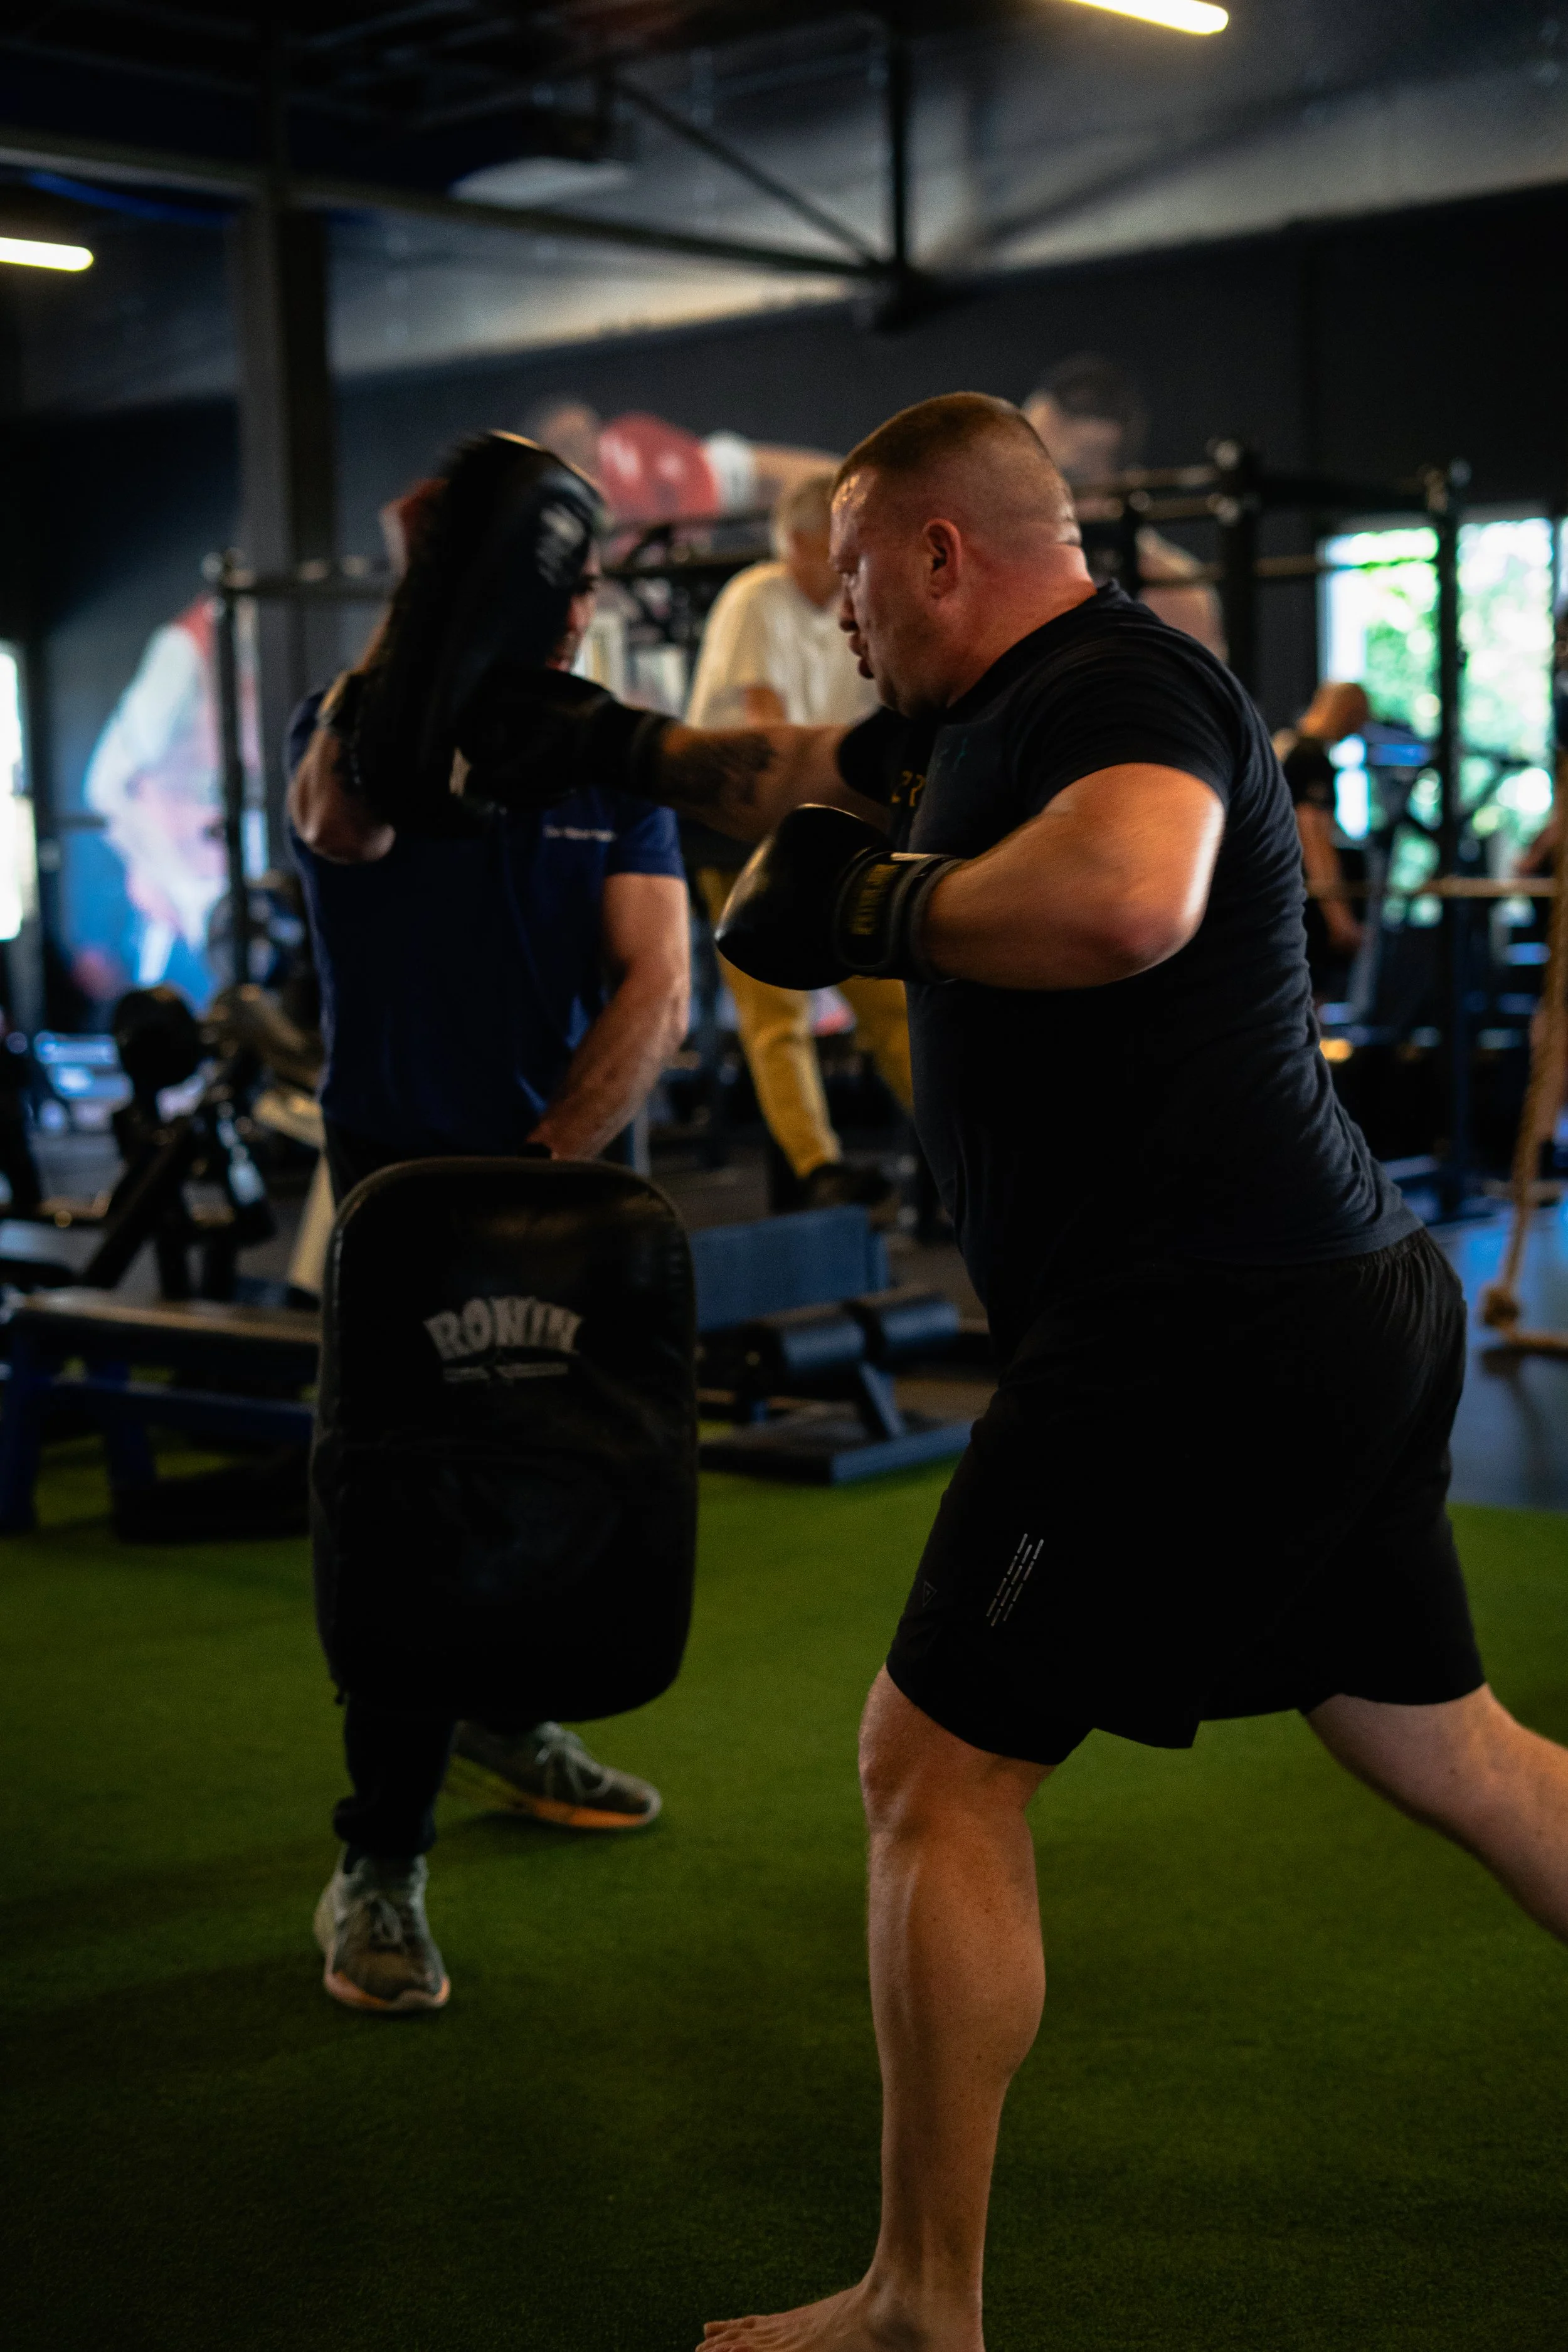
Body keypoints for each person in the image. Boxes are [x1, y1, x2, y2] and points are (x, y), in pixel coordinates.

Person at [428, 393, 1568, 2352]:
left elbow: (1131, 894)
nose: (834, 610)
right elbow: (786, 763)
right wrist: (601, 743)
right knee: (1439, 1742)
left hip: (1192, 1324)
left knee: (934, 1761)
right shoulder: (976, 720)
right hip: (1321, 1292)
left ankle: (918, 2302)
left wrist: (875, 904)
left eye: (852, 573)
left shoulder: (1112, 681)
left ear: (939, 552)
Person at [286, 468, 691, 2016]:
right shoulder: (362, 729)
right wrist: (436, 601)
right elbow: (341, 827)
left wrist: (542, 1170)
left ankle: (506, 1716)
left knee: (557, 1465)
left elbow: (655, 980)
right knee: (400, 1513)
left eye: (584, 594)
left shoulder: (605, 757)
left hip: (567, 1179)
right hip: (397, 1193)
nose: (578, 614)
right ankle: (378, 1858)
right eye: (552, 589)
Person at [685, 473, 909, 1211]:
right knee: (774, 1012)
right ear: (801, 544)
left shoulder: (847, 607)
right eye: (826, 554)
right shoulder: (757, 598)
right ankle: (817, 1167)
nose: (834, 569)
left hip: (825, 825)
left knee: (887, 995)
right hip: (742, 833)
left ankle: (951, 1140)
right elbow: (769, 733)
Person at [1022, 352, 1226, 655]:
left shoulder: (1172, 589)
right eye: (1029, 476)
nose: (1040, 497)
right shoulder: (1015, 581)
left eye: (1069, 478)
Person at [521, 396, 835, 527]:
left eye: (584, 430)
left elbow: (681, 478)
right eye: (569, 440)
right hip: (721, 507)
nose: (584, 440)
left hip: (725, 470)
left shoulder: (623, 438)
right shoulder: (582, 501)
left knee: (836, 482)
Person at [1274, 679, 1369, 995]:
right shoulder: (1310, 758)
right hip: (1305, 902)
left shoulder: (1288, 748)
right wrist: (1338, 915)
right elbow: (1312, 839)